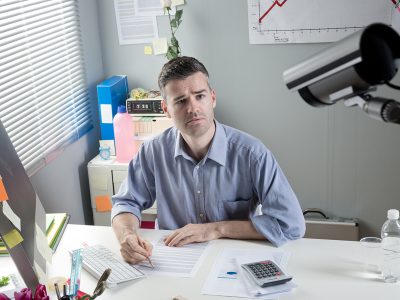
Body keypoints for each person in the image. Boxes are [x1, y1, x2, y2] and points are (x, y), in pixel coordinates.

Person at [112, 56, 305, 264]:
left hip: (234, 260)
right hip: (173, 259)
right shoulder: (152, 151)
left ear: (212, 98)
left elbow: (291, 224)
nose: (193, 108)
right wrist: (127, 236)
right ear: (166, 109)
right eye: (180, 101)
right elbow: (125, 203)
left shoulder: (252, 154)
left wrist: (215, 229)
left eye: (199, 96)